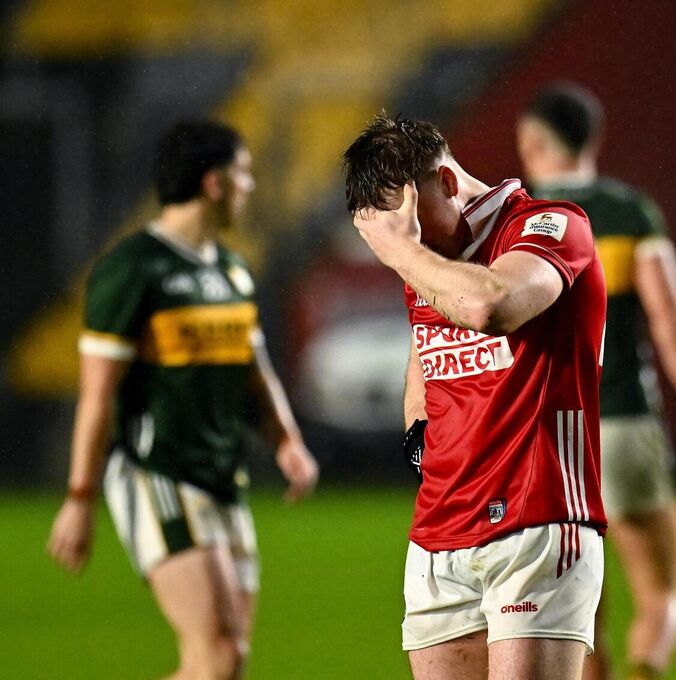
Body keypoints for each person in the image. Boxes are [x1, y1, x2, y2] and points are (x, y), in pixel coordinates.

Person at [46, 120, 319, 680]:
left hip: (222, 476)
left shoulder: (232, 270)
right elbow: (97, 394)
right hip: (160, 473)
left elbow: (255, 371)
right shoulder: (133, 268)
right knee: (217, 653)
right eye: (243, 173)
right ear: (213, 183)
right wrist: (79, 496)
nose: (250, 186)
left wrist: (286, 441)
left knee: (223, 661)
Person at [342, 114, 608, 680]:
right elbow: (425, 348)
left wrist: (401, 252)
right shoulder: (428, 256)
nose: (409, 243)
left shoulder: (551, 226)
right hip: (439, 531)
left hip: (537, 521)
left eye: (412, 225)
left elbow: (492, 307)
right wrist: (419, 434)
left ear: (444, 181)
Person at [516, 81, 676, 680]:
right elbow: (672, 321)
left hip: (545, 439)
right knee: (662, 597)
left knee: (580, 616)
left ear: (532, 142)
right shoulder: (630, 214)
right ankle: (648, 665)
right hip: (625, 421)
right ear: (594, 138)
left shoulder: (514, 219)